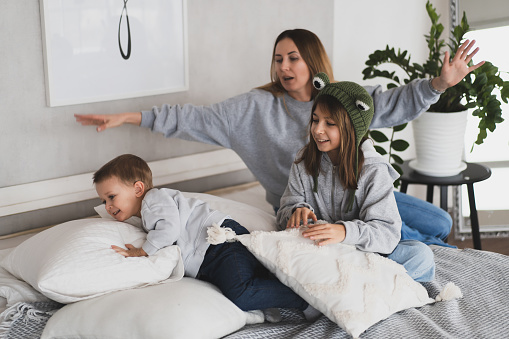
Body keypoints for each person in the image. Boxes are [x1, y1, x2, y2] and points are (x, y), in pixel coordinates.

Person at [76, 28, 484, 248]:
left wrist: (438, 83)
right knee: (415, 240)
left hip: (354, 197)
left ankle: (410, 246)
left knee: (440, 221)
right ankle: (421, 254)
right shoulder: (254, 110)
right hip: (306, 209)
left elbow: (393, 102)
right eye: (277, 59)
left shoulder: (338, 99)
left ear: (312, 60)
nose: (284, 66)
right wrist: (128, 117)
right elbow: (192, 118)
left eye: (293, 57)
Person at [93, 153, 319, 318]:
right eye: (104, 201)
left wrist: (142, 251)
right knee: (247, 282)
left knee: (240, 293)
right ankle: (271, 301)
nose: (108, 206)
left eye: (112, 197)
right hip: (210, 256)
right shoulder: (145, 213)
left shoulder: (154, 200)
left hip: (221, 242)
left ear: (138, 189)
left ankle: (303, 299)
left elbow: (169, 230)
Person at [276, 73, 434, 282]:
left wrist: (344, 232)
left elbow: (387, 235)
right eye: (315, 120)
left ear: (351, 127)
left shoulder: (373, 170)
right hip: (321, 253)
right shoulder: (304, 160)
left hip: (363, 254)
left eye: (329, 123)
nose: (317, 129)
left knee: (421, 254)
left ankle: (357, 284)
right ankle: (368, 285)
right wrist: (296, 211)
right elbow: (283, 214)